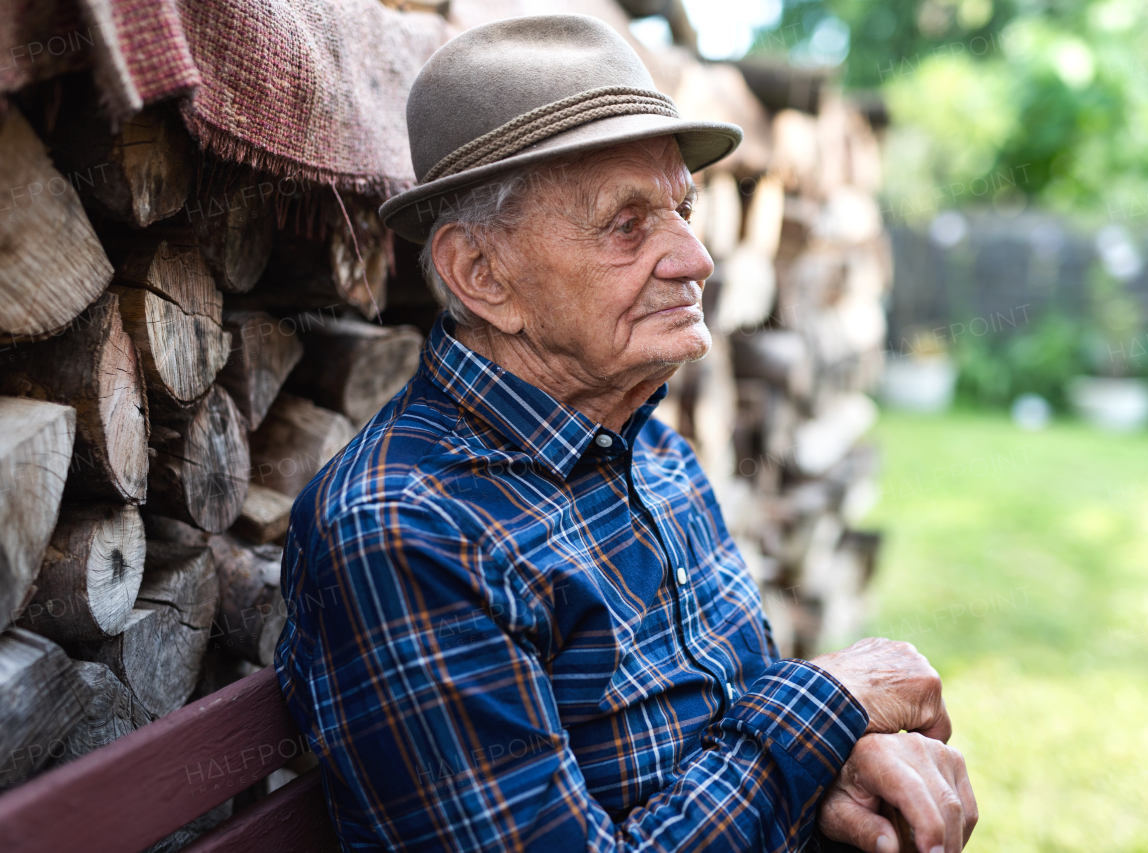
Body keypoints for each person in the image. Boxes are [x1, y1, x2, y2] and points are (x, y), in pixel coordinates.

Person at [275, 15, 977, 853]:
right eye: (627, 223)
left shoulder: (655, 453)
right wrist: (828, 703)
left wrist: (841, 771)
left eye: (684, 208)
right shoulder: (406, 530)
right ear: (482, 275)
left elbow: (730, 736)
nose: (696, 257)